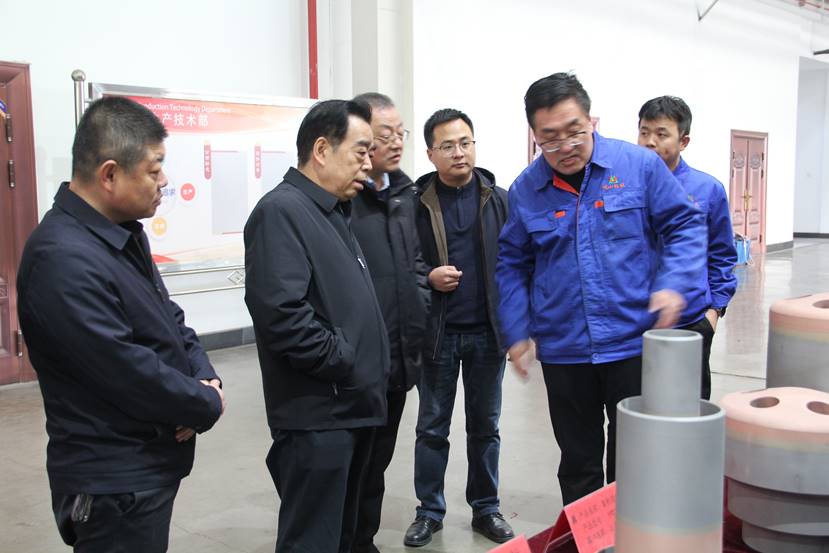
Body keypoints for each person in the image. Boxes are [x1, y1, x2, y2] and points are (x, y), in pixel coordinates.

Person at [16, 96, 226, 553]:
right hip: (112, 478)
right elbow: (123, 368)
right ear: (109, 174)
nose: (164, 181)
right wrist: (201, 402)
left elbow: (170, 319)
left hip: (146, 462)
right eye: (154, 169)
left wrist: (203, 375)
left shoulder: (121, 233)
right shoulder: (63, 259)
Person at [496, 73, 707, 506]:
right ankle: (585, 536)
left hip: (633, 342)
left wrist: (673, 283)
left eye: (574, 131)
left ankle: (631, 536)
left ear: (591, 121)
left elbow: (685, 224)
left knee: (636, 460)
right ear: (534, 135)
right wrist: (516, 332)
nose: (565, 146)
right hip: (566, 351)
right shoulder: (526, 190)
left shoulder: (638, 167)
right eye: (549, 138)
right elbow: (512, 265)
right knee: (578, 463)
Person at [244, 99, 390, 553]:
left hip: (350, 406)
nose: (368, 164)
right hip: (319, 415)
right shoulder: (281, 212)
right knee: (313, 541)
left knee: (343, 536)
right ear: (322, 150)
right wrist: (343, 360)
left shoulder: (331, 210)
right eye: (360, 151)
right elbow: (282, 315)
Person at [404, 108, 514, 547]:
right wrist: (427, 277)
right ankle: (429, 511)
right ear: (431, 153)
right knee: (432, 428)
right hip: (438, 334)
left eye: (465, 142)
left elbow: (518, 261)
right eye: (447, 145)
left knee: (485, 427)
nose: (458, 152)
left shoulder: (499, 199)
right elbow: (400, 264)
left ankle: (486, 508)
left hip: (488, 334)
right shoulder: (415, 204)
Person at [349, 92, 430, 553]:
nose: (397, 143)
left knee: (377, 463)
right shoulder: (344, 200)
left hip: (399, 359)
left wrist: (419, 301)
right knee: (350, 467)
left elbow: (415, 263)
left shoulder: (403, 193)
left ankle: (365, 541)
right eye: (386, 135)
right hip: (357, 363)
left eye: (401, 133)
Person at [637, 95, 738, 400]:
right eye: (644, 132)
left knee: (687, 408)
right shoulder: (625, 187)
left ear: (683, 141)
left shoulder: (707, 189)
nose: (650, 142)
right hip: (634, 323)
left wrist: (714, 311)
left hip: (690, 321)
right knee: (634, 409)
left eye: (661, 134)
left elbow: (722, 254)